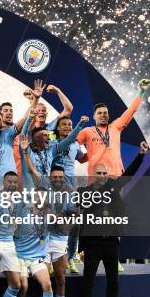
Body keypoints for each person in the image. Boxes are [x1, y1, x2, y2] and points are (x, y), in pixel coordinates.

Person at [78, 142, 149, 297]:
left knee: (114, 283)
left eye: (104, 173)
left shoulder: (115, 187)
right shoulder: (84, 192)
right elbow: (81, 221)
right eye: (99, 173)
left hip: (111, 243)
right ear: (93, 174)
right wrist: (81, 246)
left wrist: (141, 155)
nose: (102, 176)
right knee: (88, 282)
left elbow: (130, 175)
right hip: (92, 244)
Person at [14, 134, 56, 297]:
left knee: (47, 284)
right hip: (21, 257)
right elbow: (30, 172)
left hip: (38, 257)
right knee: (23, 286)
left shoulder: (50, 212)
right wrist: (24, 152)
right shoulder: (23, 206)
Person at [76, 79, 150, 177]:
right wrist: (87, 156)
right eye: (99, 113)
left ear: (108, 115)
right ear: (94, 116)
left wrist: (141, 92)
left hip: (117, 177)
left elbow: (131, 111)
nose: (103, 115)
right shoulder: (86, 132)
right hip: (96, 179)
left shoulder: (115, 127)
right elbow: (72, 146)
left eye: (105, 113)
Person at [51, 116, 89, 274]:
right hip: (55, 189)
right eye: (64, 124)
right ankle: (50, 259)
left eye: (70, 124)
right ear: (58, 128)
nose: (67, 127)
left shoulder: (75, 145)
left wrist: (95, 148)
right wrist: (79, 126)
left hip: (71, 189)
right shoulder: (53, 144)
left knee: (75, 225)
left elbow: (82, 158)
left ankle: (71, 258)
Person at [46, 166, 76, 297]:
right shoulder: (43, 193)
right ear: (50, 178)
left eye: (60, 177)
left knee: (61, 280)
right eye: (55, 177)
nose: (58, 179)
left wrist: (63, 221)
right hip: (43, 242)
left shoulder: (69, 194)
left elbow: (76, 215)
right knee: (44, 282)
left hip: (60, 241)